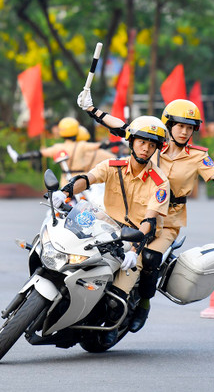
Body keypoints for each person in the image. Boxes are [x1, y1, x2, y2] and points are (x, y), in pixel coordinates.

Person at [77, 92, 214, 331]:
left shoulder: (198, 157)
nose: (184, 132)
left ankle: (143, 304)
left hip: (166, 220)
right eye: (180, 126)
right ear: (169, 125)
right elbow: (123, 128)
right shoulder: (153, 143)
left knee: (149, 258)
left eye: (189, 128)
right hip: (133, 211)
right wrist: (91, 109)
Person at [52, 115, 170, 345]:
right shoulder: (112, 166)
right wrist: (65, 192)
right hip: (107, 227)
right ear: (132, 141)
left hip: (137, 237)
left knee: (116, 300)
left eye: (152, 144)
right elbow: (88, 179)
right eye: (142, 142)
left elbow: (149, 222)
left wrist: (134, 251)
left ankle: (114, 326)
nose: (146, 148)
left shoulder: (160, 182)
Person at [7, 117, 107, 186]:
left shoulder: (57, 147)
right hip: (82, 180)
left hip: (66, 182)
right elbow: (100, 145)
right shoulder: (81, 145)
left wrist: (19, 157)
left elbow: (39, 154)